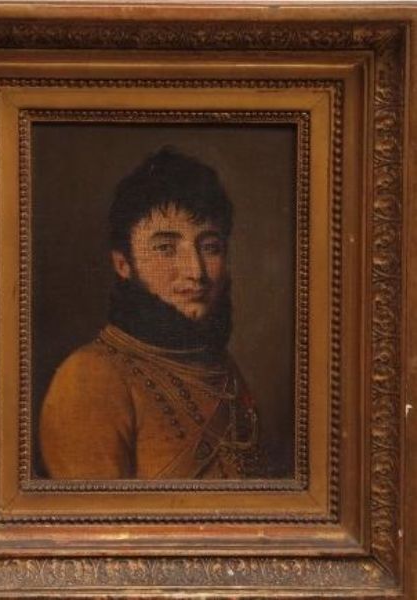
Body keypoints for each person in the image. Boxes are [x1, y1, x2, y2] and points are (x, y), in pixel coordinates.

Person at [39, 146, 259, 479]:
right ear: (123, 264)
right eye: (166, 248)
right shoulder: (88, 378)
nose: (196, 271)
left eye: (210, 247)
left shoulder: (223, 369)